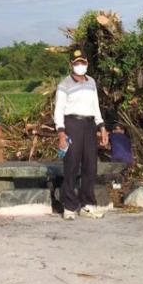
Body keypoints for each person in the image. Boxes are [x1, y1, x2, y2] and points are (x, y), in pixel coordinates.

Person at [54, 51, 108, 220]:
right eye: (76, 63)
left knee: (90, 165)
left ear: (87, 63)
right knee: (71, 164)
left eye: (82, 62)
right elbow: (59, 110)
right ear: (71, 64)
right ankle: (69, 206)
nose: (80, 66)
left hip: (89, 125)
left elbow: (96, 106)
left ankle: (87, 204)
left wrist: (102, 127)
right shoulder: (64, 84)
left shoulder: (91, 82)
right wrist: (61, 133)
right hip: (72, 124)